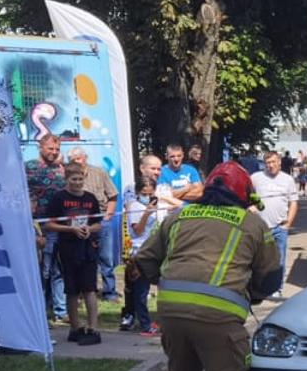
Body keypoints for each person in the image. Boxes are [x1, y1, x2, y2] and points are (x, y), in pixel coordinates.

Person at [134, 162, 282, 371]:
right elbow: (270, 277)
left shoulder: (178, 216)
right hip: (219, 316)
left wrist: (170, 284)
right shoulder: (252, 224)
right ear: (243, 196)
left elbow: (144, 259)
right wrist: (251, 293)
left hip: (171, 313)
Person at [43, 163, 105, 346]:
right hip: (67, 249)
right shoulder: (59, 198)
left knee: (89, 288)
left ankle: (93, 327)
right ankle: (75, 327)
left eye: (80, 179)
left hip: (87, 249)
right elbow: (48, 224)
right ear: (67, 179)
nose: (77, 183)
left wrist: (88, 228)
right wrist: (70, 229)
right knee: (72, 290)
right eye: (73, 179)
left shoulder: (90, 198)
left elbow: (98, 223)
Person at [24, 133, 70, 324]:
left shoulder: (61, 169)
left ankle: (61, 310)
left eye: (57, 149)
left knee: (58, 269)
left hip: (58, 225)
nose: (54, 152)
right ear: (41, 147)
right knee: (41, 269)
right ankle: (39, 310)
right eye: (50, 148)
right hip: (37, 226)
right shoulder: (29, 168)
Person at [66, 147, 120, 301]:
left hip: (101, 220)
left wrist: (108, 216)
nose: (77, 162)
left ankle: (110, 292)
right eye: (73, 160)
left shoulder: (99, 172)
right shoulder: (68, 176)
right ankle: (86, 291)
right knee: (84, 258)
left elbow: (113, 195)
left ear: (86, 157)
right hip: (79, 222)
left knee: (106, 258)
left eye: (79, 158)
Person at [251, 151, 300, 300]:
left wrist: (288, 223)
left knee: (279, 260)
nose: (271, 165)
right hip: (260, 227)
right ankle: (258, 289)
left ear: (279, 162)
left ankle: (277, 289)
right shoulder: (255, 178)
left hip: (280, 227)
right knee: (259, 259)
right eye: (268, 163)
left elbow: (293, 202)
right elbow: (248, 196)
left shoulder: (288, 180)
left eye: (273, 162)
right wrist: (251, 206)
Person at [121, 176, 161, 336]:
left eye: (150, 193)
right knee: (140, 291)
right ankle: (144, 324)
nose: (148, 196)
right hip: (139, 253)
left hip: (151, 250)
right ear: (138, 192)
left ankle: (154, 320)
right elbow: (137, 230)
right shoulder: (135, 206)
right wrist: (146, 213)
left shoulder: (153, 206)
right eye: (145, 193)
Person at [159, 143, 204, 208]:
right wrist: (187, 188)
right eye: (172, 156)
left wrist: (173, 194)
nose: (176, 159)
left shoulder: (191, 170)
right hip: (170, 211)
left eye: (179, 156)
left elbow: (200, 193)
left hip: (191, 211)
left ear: (183, 155)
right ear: (166, 156)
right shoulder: (161, 172)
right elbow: (164, 196)